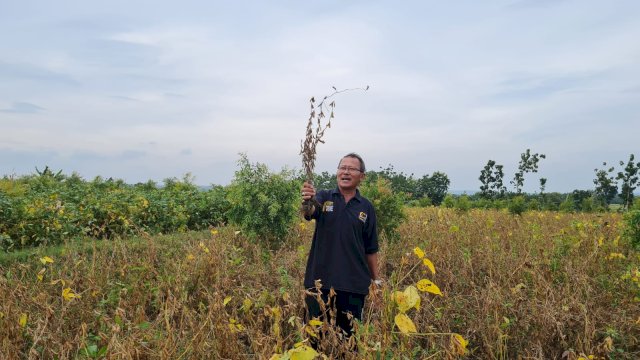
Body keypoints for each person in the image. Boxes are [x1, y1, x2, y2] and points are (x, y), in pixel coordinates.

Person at [300, 152, 381, 344]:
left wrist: (376, 280)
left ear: (362, 176)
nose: (345, 172)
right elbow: (310, 211)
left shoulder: (366, 207)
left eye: (351, 169)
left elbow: (371, 248)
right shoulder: (324, 197)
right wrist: (307, 201)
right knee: (314, 340)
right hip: (319, 284)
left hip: (353, 285)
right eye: (342, 167)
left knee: (348, 341)